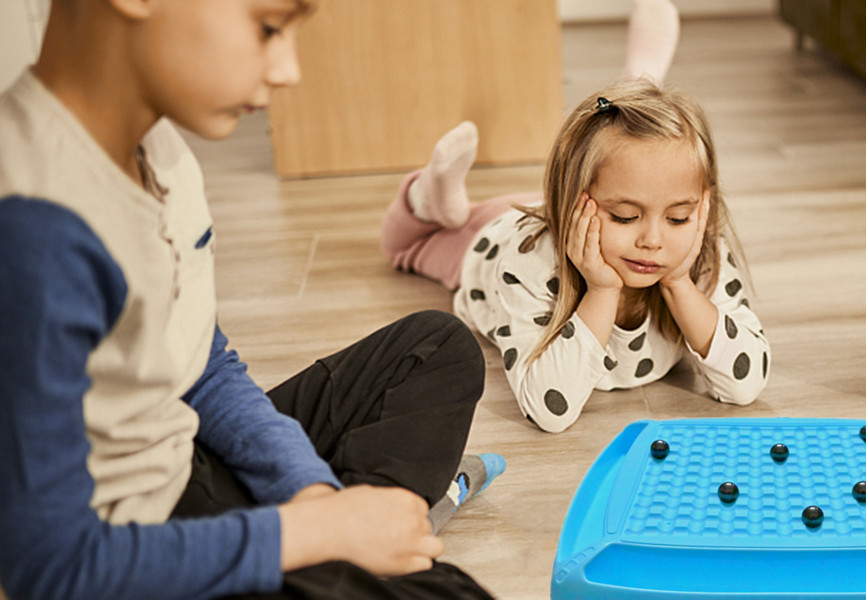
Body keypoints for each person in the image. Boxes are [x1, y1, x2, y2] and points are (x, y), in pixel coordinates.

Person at [0, 0, 502, 598]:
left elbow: (200, 365)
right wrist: (311, 533)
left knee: (437, 346)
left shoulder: (157, 148)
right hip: (136, 540)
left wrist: (313, 496)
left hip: (188, 455)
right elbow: (51, 567)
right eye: (268, 27)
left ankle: (359, 547)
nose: (289, 69)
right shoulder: (36, 228)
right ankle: (359, 553)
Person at [379, 0, 770, 434]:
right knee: (406, 245)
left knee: (624, 159)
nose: (653, 240)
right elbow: (549, 411)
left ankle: (639, 86)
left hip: (580, 202)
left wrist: (679, 283)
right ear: (574, 202)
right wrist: (602, 290)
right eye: (626, 217)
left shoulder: (700, 250)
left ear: (703, 206)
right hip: (495, 239)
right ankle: (431, 196)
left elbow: (745, 384)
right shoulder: (529, 261)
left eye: (678, 217)